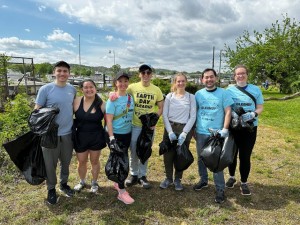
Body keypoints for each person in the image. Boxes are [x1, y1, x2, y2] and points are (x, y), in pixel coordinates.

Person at [34, 61, 76, 205]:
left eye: (65, 71)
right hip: (49, 135)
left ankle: (64, 184)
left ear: (69, 73)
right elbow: (36, 112)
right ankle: (51, 189)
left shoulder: (72, 89)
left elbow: (76, 107)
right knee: (49, 164)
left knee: (66, 162)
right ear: (54, 72)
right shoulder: (45, 89)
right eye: (59, 71)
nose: (62, 74)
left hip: (67, 133)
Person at [194, 68, 233, 203]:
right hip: (201, 132)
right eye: (206, 77)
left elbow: (228, 111)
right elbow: (195, 112)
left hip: (216, 134)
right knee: (201, 158)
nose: (209, 79)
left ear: (216, 78)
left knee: (216, 161)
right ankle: (203, 180)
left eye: (211, 77)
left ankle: (220, 189)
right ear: (202, 79)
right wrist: (194, 129)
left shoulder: (223, 93)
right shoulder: (198, 94)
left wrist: (225, 129)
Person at [225, 65, 264, 196]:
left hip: (249, 128)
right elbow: (226, 107)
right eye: (238, 74)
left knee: (245, 156)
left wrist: (253, 114)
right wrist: (233, 115)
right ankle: (231, 177)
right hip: (234, 127)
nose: (240, 76)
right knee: (231, 154)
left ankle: (244, 182)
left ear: (247, 75)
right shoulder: (229, 90)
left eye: (243, 73)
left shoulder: (255, 89)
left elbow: (260, 107)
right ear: (234, 76)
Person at [125, 64, 164, 189]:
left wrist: (154, 120)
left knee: (145, 150)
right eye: (143, 72)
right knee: (134, 151)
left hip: (148, 128)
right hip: (135, 125)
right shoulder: (132, 87)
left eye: (148, 72)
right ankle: (133, 174)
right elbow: (120, 93)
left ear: (151, 74)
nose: (145, 75)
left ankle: (142, 175)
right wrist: (112, 95)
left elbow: (161, 107)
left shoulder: (156, 90)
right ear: (139, 74)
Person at [160, 72, 196, 191]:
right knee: (168, 155)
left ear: (186, 82)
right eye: (178, 81)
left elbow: (193, 116)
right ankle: (168, 178)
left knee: (181, 155)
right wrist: (169, 132)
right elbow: (164, 115)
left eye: (182, 81)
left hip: (184, 128)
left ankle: (178, 179)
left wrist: (185, 132)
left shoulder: (191, 97)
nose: (180, 83)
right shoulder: (170, 97)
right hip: (170, 127)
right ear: (175, 83)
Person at [106, 71, 135, 204]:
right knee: (121, 162)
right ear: (115, 83)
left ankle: (118, 183)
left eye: (125, 81)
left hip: (127, 134)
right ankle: (121, 192)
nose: (123, 84)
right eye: (120, 81)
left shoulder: (130, 97)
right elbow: (109, 121)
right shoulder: (112, 100)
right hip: (115, 135)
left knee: (122, 161)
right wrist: (111, 138)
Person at [73, 79, 106, 193]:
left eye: (91, 87)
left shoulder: (101, 104)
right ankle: (82, 181)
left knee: (95, 161)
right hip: (80, 136)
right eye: (86, 87)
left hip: (96, 136)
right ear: (82, 90)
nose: (89, 89)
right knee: (81, 161)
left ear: (95, 88)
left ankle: (94, 182)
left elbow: (109, 120)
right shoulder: (76, 102)